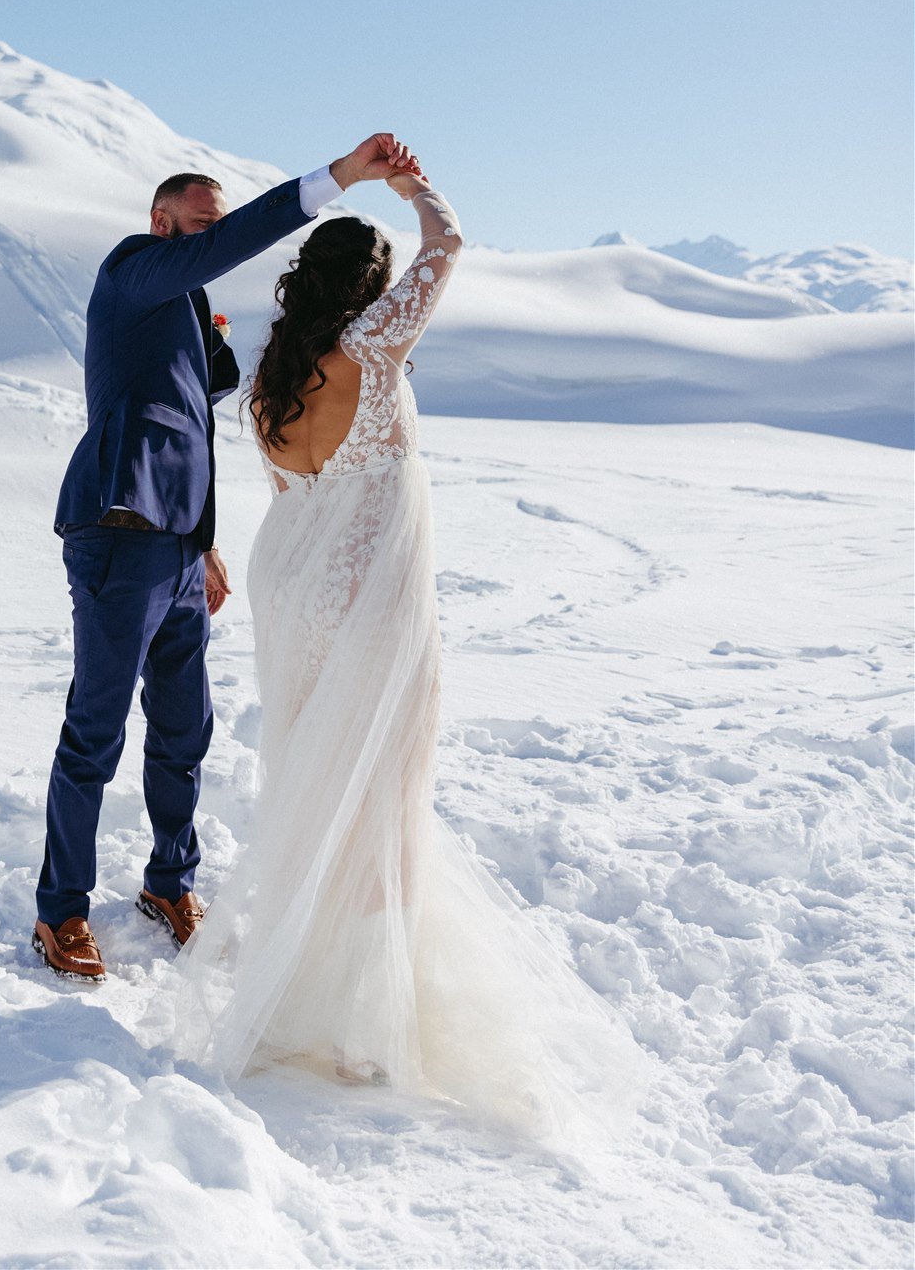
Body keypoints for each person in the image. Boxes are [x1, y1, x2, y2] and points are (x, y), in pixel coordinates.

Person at [173, 156, 651, 1154]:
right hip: (366, 599)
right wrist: (415, 187)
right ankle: (359, 1029)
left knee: (310, 782)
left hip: (288, 585)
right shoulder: (372, 344)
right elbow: (449, 246)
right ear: (368, 286)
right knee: (380, 794)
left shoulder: (271, 372)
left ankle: (296, 1001)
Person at [33, 132, 422, 981]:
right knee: (95, 731)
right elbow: (210, 262)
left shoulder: (181, 306)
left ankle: (169, 886)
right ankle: (59, 911)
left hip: (175, 548)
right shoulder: (131, 272)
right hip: (116, 533)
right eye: (192, 224)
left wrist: (203, 548)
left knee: (185, 730)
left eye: (209, 224)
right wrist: (338, 180)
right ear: (159, 222)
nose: (202, 237)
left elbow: (191, 428)